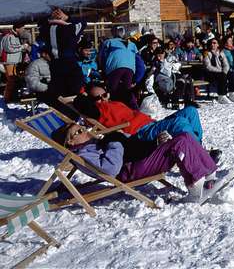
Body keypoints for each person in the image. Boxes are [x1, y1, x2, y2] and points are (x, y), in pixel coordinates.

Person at [53, 123, 221, 203]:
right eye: (79, 132)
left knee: (184, 136)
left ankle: (209, 173)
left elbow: (124, 145)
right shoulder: (84, 154)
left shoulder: (92, 144)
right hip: (131, 171)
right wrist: (115, 141)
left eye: (82, 127)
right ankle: (194, 187)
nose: (85, 130)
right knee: (179, 144)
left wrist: (150, 143)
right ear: (71, 143)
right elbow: (110, 169)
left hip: (136, 160)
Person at [76, 86, 209, 145]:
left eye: (105, 95)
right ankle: (199, 154)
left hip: (151, 124)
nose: (103, 99)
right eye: (98, 98)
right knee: (179, 122)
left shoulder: (113, 103)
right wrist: (84, 96)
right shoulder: (99, 110)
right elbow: (79, 103)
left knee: (190, 111)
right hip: (141, 133)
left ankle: (198, 146)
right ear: (92, 101)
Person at [38, 8, 87, 100]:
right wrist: (67, 18)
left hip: (55, 64)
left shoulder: (46, 29)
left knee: (59, 92)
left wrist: (51, 18)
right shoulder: (70, 28)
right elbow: (83, 22)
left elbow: (41, 24)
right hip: (69, 63)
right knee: (74, 91)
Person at [99, 26, 139, 108]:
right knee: (127, 91)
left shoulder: (108, 42)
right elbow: (139, 60)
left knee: (112, 90)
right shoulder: (132, 44)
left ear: (113, 33)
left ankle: (114, 108)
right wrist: (136, 77)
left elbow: (101, 57)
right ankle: (132, 109)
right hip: (130, 69)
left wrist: (103, 71)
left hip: (115, 67)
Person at [0, 22, 29, 102]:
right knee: (11, 80)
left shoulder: (17, 37)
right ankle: (8, 98)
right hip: (9, 61)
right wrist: (22, 47)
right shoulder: (8, 36)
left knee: (15, 80)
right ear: (17, 29)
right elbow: (9, 48)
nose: (24, 30)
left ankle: (14, 96)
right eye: (22, 29)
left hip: (16, 61)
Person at [203, 38, 232, 104]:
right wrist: (220, 71)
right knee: (222, 75)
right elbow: (208, 66)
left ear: (218, 44)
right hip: (211, 74)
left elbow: (226, 64)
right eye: (211, 43)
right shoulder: (207, 53)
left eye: (214, 43)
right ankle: (221, 96)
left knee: (232, 73)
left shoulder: (221, 53)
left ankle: (232, 93)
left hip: (221, 72)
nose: (212, 44)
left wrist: (224, 71)